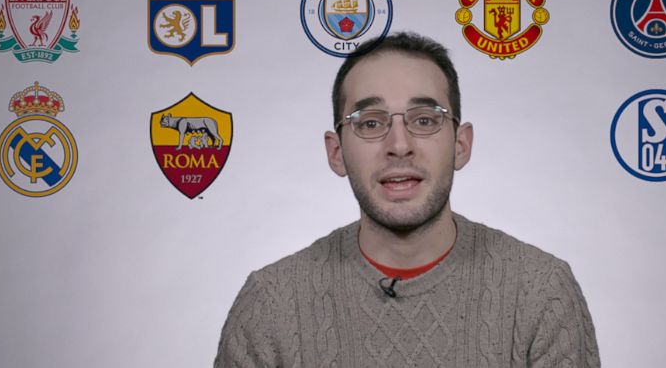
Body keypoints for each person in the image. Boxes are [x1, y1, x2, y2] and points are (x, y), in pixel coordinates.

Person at [215, 32, 600, 367]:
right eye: (370, 122)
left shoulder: (541, 291)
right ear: (336, 153)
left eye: (425, 120)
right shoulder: (270, 304)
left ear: (461, 145)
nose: (399, 145)